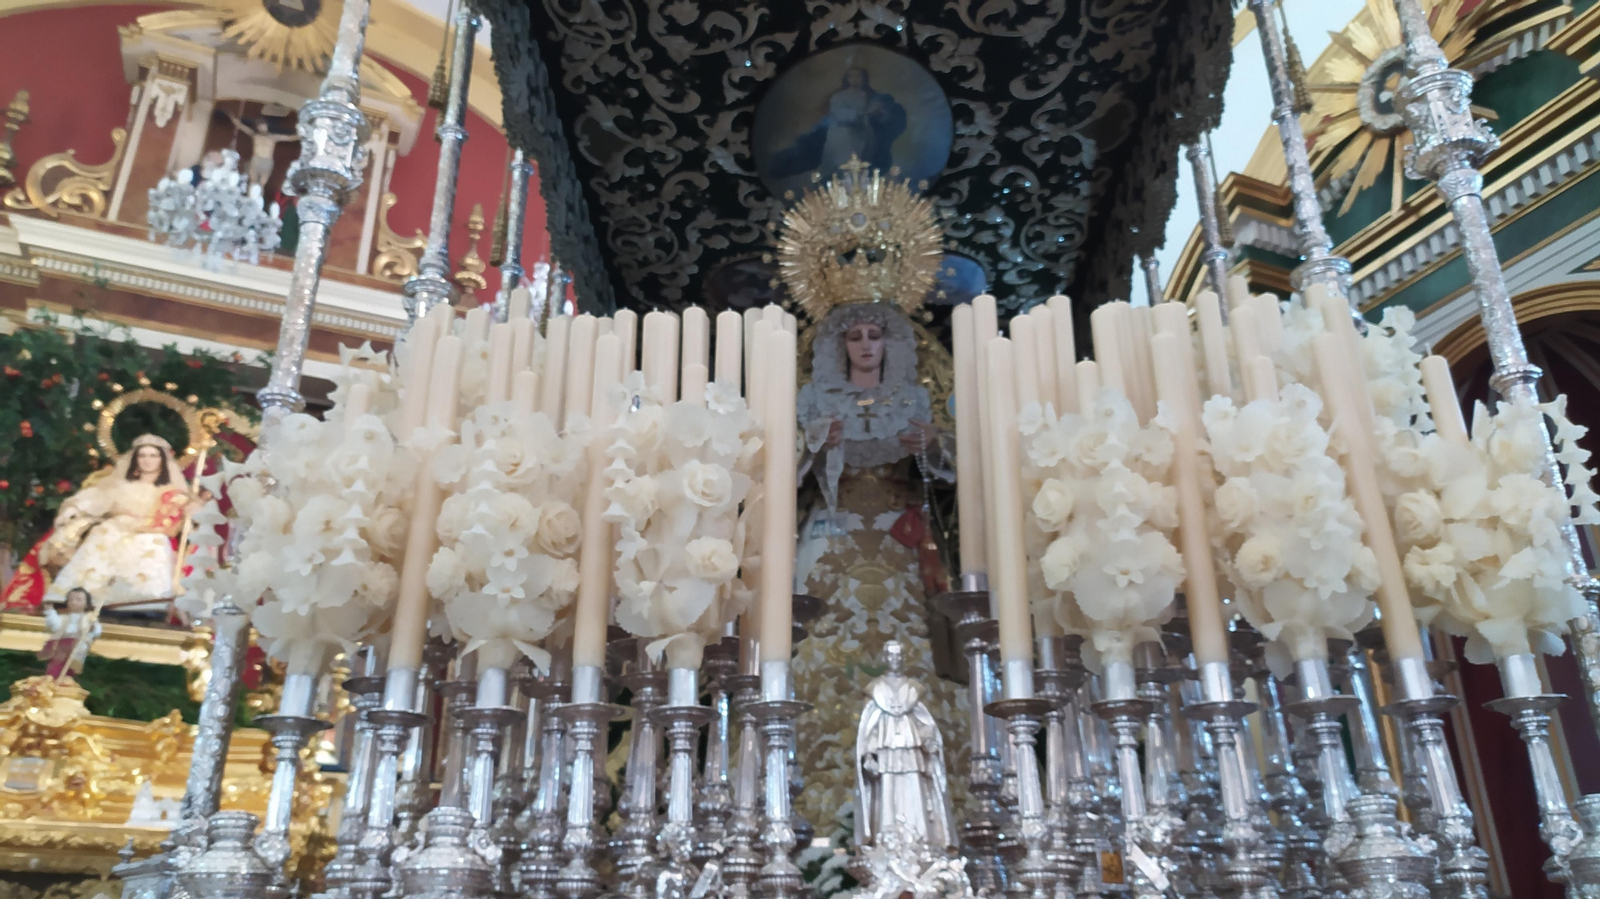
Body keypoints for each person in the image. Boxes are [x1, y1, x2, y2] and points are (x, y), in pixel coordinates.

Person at [791, 301, 964, 841]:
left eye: (874, 336)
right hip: (830, 534)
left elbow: (952, 471)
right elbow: (783, 467)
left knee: (912, 649)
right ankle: (815, 804)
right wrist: (816, 443)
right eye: (855, 337)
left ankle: (931, 808)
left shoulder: (912, 398)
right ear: (839, 347)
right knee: (817, 651)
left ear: (890, 344)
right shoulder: (813, 400)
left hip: (901, 541)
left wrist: (928, 447)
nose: (866, 345)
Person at [40, 434, 200, 618]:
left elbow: (184, 519)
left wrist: (193, 512)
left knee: (153, 544)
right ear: (135, 459)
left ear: (162, 460)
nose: (147, 461)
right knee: (102, 535)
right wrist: (75, 508)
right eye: (142, 456)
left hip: (150, 533)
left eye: (153, 456)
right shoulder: (120, 485)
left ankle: (145, 600)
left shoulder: (172, 493)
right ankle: (82, 596)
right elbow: (96, 498)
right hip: (116, 528)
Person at [855, 640, 956, 853]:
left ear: (903, 658)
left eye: (899, 655)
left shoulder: (913, 689)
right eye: (890, 655)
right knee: (887, 791)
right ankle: (887, 842)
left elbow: (923, 722)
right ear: (884, 658)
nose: (895, 659)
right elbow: (869, 727)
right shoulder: (876, 690)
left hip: (911, 749)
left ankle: (920, 841)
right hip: (886, 752)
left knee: (914, 788)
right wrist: (868, 756)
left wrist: (929, 740)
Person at [768, 67, 907, 182]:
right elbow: (840, 115)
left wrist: (881, 113)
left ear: (864, 79)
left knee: (863, 166)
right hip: (842, 133)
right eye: (851, 77)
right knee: (842, 159)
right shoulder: (838, 97)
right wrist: (864, 112)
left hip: (864, 134)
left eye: (858, 76)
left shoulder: (871, 96)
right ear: (846, 79)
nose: (855, 79)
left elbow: (882, 113)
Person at [222, 111, 300, 188]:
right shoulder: (254, 135)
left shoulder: (274, 137)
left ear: (266, 126)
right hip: (256, 160)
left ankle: (258, 199)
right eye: (259, 126)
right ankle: (250, 199)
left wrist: (302, 134)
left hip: (267, 161)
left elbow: (290, 138)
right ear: (257, 127)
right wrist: (231, 116)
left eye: (263, 125)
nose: (261, 127)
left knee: (262, 184)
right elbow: (240, 126)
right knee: (252, 182)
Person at [39, 587, 100, 680]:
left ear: (86, 603)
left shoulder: (89, 618)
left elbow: (96, 631)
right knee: (55, 667)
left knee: (70, 668)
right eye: (70, 599)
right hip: (60, 647)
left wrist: (92, 628)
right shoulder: (63, 618)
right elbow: (55, 626)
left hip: (77, 647)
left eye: (78, 599)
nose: (73, 602)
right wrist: (50, 610)